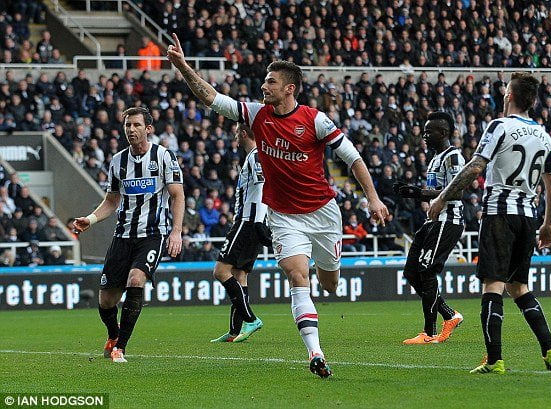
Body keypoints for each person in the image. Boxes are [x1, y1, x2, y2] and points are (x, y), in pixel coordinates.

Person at [168, 35, 388, 378]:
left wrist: (372, 197)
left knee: (329, 284)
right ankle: (315, 353)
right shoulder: (256, 115)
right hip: (284, 216)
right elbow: (211, 98)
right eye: (264, 80)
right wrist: (182, 65)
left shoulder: (315, 120)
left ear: (290, 89)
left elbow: (354, 158)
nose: (264, 86)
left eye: (271, 81)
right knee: (297, 276)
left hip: (324, 213)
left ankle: (323, 276)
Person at [428, 72, 551, 374]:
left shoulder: (499, 127)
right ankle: (550, 350)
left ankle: (494, 360)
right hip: (528, 218)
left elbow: (475, 166)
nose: (503, 96)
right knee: (519, 287)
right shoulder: (544, 135)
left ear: (510, 96)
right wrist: (549, 223)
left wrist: (441, 198)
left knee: (493, 286)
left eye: (505, 92)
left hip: (500, 213)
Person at [73, 107, 184, 363]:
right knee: (106, 301)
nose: (131, 130)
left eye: (136, 125)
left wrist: (176, 232)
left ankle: (120, 347)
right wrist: (90, 219)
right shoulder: (117, 161)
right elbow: (111, 201)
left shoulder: (164, 156)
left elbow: (177, 195)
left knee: (136, 279)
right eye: (127, 125)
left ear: (148, 128)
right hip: (122, 236)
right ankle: (113, 334)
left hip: (152, 234)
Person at [393, 112, 465, 345]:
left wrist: (419, 192)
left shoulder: (453, 157)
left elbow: (458, 190)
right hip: (433, 220)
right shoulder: (435, 159)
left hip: (448, 220)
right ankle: (450, 315)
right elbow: (436, 192)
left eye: (429, 131)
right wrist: (415, 192)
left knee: (427, 270)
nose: (424, 135)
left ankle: (429, 332)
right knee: (412, 272)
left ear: (443, 133)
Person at [210, 123, 270, 343]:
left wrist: (257, 222)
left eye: (236, 131)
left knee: (220, 271)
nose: (234, 135)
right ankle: (235, 330)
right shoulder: (255, 156)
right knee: (239, 275)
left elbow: (263, 187)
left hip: (247, 222)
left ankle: (250, 318)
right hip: (252, 222)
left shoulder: (255, 156)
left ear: (244, 133)